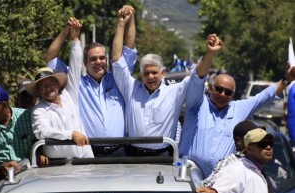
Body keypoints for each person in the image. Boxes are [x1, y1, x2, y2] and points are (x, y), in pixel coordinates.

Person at [179, 34, 295, 178]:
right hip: (189, 175)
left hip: (221, 181)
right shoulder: (197, 103)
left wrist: (286, 80)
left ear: (233, 95)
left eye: (227, 92)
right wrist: (210, 53)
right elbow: (198, 79)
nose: (222, 94)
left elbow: (264, 97)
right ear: (211, 88)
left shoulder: (238, 109)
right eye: (219, 89)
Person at [44, 5, 137, 157]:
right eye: (93, 59)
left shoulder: (119, 80)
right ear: (85, 63)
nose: (98, 62)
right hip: (89, 151)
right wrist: (65, 32)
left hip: (119, 151)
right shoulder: (76, 83)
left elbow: (129, 48)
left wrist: (130, 18)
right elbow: (50, 59)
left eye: (102, 58)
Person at [111, 8, 196, 156]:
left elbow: (197, 77)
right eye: (146, 73)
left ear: (163, 73)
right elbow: (117, 59)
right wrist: (121, 24)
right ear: (141, 75)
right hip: (132, 156)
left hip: (162, 156)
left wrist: (210, 53)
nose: (150, 77)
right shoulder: (131, 89)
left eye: (154, 72)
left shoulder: (173, 92)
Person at [26, 18, 93, 159]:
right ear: (38, 92)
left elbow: (75, 66)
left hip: (86, 160)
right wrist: (71, 134)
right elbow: (42, 131)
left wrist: (74, 40)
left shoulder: (69, 95)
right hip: (58, 167)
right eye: (42, 86)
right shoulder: (39, 110)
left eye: (50, 83)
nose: (48, 88)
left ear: (58, 84)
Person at [197, 128, 277, 193]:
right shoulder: (237, 169)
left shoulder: (259, 171)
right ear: (249, 148)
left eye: (271, 143)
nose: (268, 147)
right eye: (262, 144)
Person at [0, 84, 46, 179]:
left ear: (4, 105)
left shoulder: (27, 117)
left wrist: (40, 154)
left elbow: (39, 139)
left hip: (30, 177)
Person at [200, 120, 261, 188]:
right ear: (239, 141)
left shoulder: (257, 163)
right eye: (253, 138)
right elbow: (206, 186)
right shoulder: (229, 162)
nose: (259, 141)